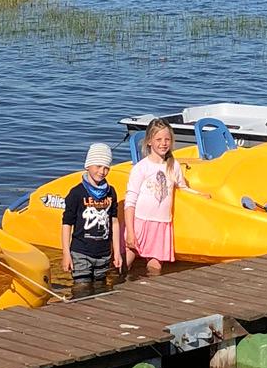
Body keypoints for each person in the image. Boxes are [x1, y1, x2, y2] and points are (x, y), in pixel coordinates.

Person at [124, 118, 209, 274]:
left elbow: (182, 187)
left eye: (167, 139)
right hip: (140, 222)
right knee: (128, 258)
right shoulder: (141, 168)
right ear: (149, 141)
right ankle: (119, 284)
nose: (163, 143)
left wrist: (200, 195)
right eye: (158, 139)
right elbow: (130, 201)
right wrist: (130, 231)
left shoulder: (173, 165)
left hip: (161, 224)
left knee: (155, 266)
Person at [60, 142, 123, 292]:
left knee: (100, 288)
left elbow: (114, 222)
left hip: (103, 253)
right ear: (88, 166)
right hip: (81, 252)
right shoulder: (76, 193)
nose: (102, 171)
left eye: (106, 167)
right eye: (98, 166)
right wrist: (66, 253)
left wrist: (117, 252)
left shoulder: (110, 192)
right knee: (82, 289)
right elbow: (66, 223)